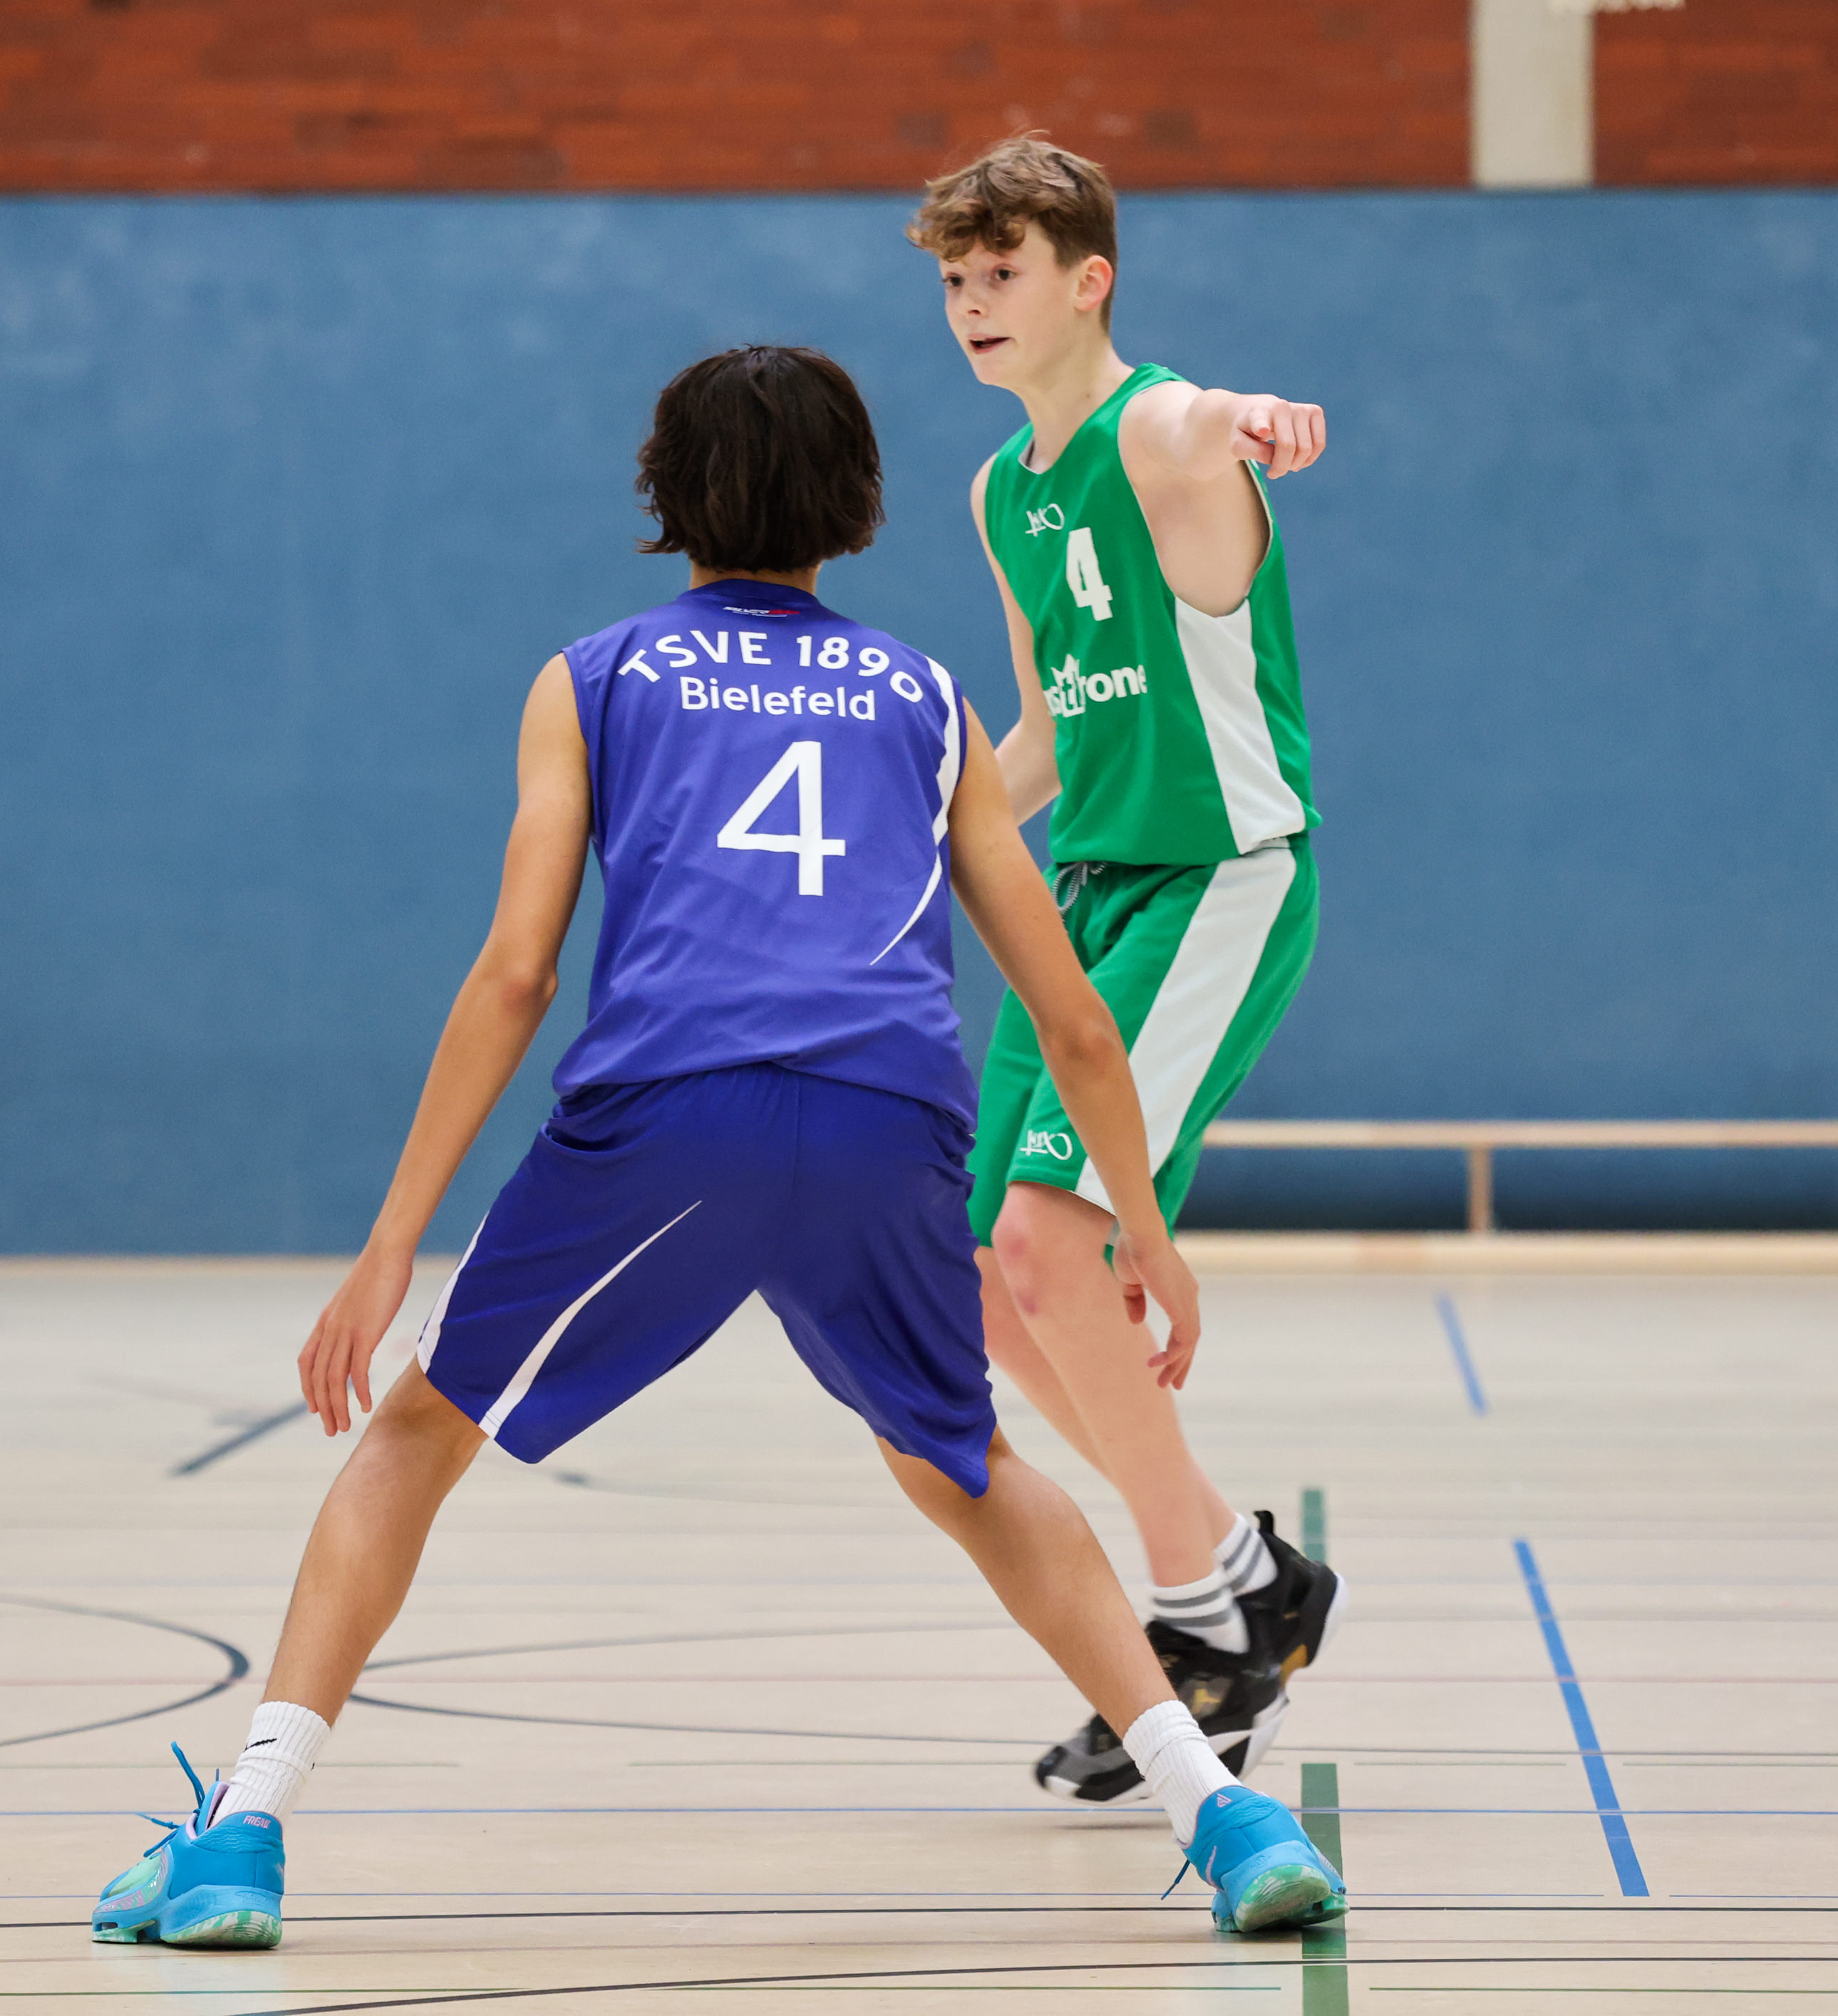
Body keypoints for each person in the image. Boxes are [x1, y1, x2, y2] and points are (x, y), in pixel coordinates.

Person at [92, 344, 1346, 1952]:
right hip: (887, 1116)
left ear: (663, 494)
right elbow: (1071, 1015)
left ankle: (243, 1831)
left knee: (415, 1434)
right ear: (859, 503)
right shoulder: (923, 700)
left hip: (670, 1110)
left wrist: (393, 1234)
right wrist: (1147, 1237)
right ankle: (1227, 1815)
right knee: (964, 1464)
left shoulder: (595, 678)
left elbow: (518, 973)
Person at [907, 136, 1347, 1807]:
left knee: (1046, 1235)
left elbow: (1215, 419)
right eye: (955, 280)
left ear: (1089, 280)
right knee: (976, 1270)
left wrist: (1263, 420)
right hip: (1089, 888)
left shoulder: (1160, 431)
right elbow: (1041, 739)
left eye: (1002, 272)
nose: (972, 303)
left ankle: (1207, 1619)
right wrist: (909, 840)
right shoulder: (1000, 491)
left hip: (1218, 876)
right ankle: (1239, 1577)